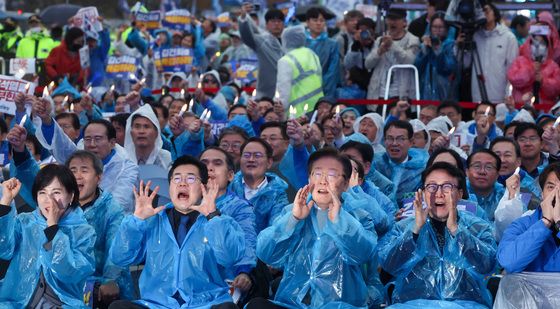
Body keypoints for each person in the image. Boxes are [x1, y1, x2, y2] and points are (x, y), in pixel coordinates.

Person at [8, 124, 133, 305]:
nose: (77, 176)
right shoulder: (55, 200)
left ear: (99, 177)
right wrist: (20, 151)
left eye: (84, 170)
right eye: (72, 170)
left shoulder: (112, 210)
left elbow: (118, 249)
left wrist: (110, 279)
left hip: (94, 283)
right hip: (48, 282)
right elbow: (35, 181)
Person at [108, 156, 245, 309]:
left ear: (203, 187)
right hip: (157, 305)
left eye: (191, 179)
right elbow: (120, 258)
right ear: (170, 186)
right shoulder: (151, 220)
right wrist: (136, 220)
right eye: (177, 178)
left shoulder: (221, 221)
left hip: (206, 304)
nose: (182, 183)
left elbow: (230, 258)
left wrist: (212, 217)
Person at [248, 148, 377, 308]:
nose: (323, 181)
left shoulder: (360, 216)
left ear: (345, 184)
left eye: (331, 175)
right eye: (317, 174)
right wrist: (293, 220)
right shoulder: (292, 211)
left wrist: (339, 221)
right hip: (293, 304)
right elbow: (266, 254)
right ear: (309, 179)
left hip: (338, 305)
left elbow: (362, 255)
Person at [379, 162, 497, 308]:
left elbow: (487, 266)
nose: (439, 193)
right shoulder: (404, 226)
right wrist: (415, 230)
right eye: (432, 187)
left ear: (460, 194)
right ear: (422, 193)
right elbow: (389, 265)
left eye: (447, 186)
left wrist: (456, 231)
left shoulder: (477, 227)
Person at [0, 167, 96, 308]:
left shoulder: (83, 232)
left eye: (56, 192)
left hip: (62, 303)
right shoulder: (25, 222)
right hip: (19, 301)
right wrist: (6, 201)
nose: (48, 200)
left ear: (71, 195)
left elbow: (68, 272)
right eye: (42, 193)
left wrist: (52, 227)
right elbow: (3, 249)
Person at [33, 96, 138, 212]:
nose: (92, 144)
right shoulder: (79, 156)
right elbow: (60, 144)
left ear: (112, 142)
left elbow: (120, 204)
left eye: (98, 139)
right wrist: (46, 120)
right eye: (88, 139)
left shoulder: (127, 168)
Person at [498, 163, 560, 272]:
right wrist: (545, 223)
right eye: (551, 187)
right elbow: (509, 263)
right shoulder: (522, 224)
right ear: (542, 194)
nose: (556, 193)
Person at [229, 137, 289, 233]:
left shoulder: (278, 195)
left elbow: (276, 231)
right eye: (247, 155)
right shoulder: (228, 187)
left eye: (257, 155)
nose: (251, 159)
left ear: (269, 162)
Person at [365, 8, 419, 104]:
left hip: (402, 93)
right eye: (390, 19)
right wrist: (379, 51)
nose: (392, 22)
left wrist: (393, 45)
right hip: (380, 92)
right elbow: (368, 64)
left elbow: (410, 61)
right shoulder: (379, 40)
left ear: (404, 22)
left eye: (396, 19)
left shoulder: (413, 40)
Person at [470, 3, 518, 103]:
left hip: (499, 94)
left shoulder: (508, 37)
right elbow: (466, 63)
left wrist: (508, 94)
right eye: (481, 11)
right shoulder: (475, 36)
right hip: (477, 94)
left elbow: (512, 68)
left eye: (486, 11)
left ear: (495, 14)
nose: (484, 14)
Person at [374, 120, 429, 205]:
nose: (394, 143)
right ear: (384, 141)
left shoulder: (422, 169)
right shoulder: (374, 166)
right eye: (390, 138)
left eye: (401, 139)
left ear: (411, 142)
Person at [507, 20, 560, 105]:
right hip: (522, 107)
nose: (538, 47)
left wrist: (543, 81)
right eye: (535, 43)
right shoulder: (520, 61)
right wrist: (530, 70)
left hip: (545, 109)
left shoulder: (553, 66)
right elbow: (514, 79)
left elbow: (557, 88)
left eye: (542, 43)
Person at [239, 4, 285, 98]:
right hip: (266, 93)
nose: (276, 24)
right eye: (273, 21)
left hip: (286, 91)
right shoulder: (262, 40)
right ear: (267, 25)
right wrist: (243, 17)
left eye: (279, 21)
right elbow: (246, 35)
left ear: (283, 24)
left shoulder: (289, 41)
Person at [276, 25, 323, 116]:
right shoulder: (312, 54)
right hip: (317, 108)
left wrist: (280, 112)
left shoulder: (285, 60)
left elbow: (283, 91)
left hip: (297, 111)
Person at [414, 12, 457, 101]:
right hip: (425, 94)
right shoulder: (425, 44)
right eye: (434, 27)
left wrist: (438, 51)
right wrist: (425, 50)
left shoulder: (451, 45)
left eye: (441, 27)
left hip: (446, 93)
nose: (437, 30)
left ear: (447, 28)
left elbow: (448, 68)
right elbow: (417, 68)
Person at [305, 7, 340, 98]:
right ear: (308, 22)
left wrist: (323, 88)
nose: (318, 23)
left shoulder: (332, 44)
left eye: (322, 20)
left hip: (324, 90)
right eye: (315, 20)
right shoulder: (300, 42)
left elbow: (332, 71)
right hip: (302, 90)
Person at [124, 104, 172, 169]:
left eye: (146, 126)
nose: (141, 131)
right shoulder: (122, 158)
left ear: (156, 133)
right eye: (137, 126)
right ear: (130, 132)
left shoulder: (167, 158)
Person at [466, 149, 505, 221]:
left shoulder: (505, 197)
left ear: (497, 174)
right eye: (477, 166)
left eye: (488, 167)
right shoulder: (457, 195)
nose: (482, 172)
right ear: (467, 172)